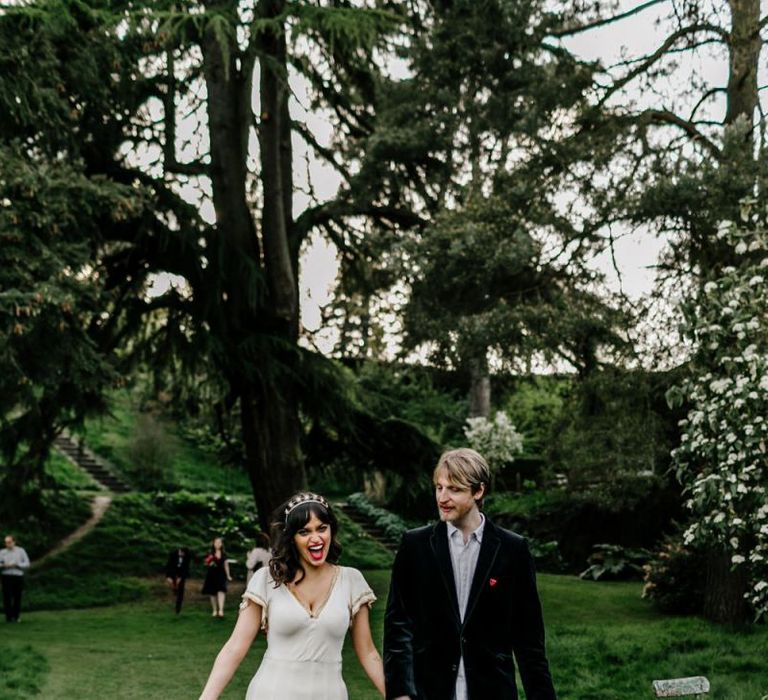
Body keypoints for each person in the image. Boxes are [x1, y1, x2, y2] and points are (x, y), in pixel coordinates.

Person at [384, 448, 556, 700]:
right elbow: (398, 625)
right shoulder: (415, 545)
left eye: (454, 489)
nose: (442, 497)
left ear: (478, 491)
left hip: (492, 691)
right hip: (429, 691)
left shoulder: (513, 549)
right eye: (439, 487)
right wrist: (400, 693)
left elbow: (529, 640)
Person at [199, 492, 385, 700]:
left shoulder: (351, 581)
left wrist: (396, 695)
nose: (315, 538)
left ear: (331, 530)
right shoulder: (267, 580)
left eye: (322, 528)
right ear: (292, 538)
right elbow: (235, 647)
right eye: (304, 532)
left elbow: (369, 653)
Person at [0, 534, 30, 623]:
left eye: (9, 542)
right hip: (6, 576)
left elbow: (27, 563)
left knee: (17, 597)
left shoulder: (21, 551)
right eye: (6, 542)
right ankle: (8, 617)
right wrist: (4, 565)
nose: (7, 544)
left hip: (18, 576)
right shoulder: (2, 552)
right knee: (7, 597)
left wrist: (17, 565)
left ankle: (16, 616)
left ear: (14, 542)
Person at [202, 537, 232, 618]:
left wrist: (228, 575)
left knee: (221, 591)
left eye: (219, 542)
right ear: (213, 543)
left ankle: (221, 610)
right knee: (212, 593)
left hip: (221, 574)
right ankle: (214, 610)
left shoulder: (224, 554)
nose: (218, 544)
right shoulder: (210, 553)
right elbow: (205, 563)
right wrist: (209, 563)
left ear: (221, 544)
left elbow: (226, 565)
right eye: (216, 542)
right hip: (211, 575)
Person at [165, 546, 193, 614]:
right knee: (173, 584)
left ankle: (178, 609)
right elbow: (169, 566)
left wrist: (181, 577)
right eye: (181, 553)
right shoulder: (173, 554)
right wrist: (168, 577)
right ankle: (174, 589)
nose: (182, 555)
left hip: (182, 573)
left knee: (181, 591)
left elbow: (186, 568)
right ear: (179, 551)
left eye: (183, 554)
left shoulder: (187, 556)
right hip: (173, 572)